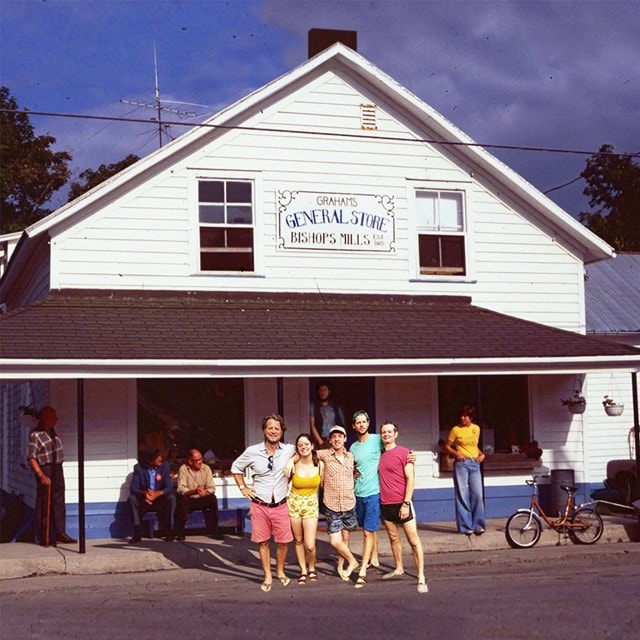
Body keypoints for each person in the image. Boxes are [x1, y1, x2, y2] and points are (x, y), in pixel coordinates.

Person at [231, 413, 295, 592]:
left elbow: (308, 450)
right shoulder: (252, 451)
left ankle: (280, 571)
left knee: (283, 542)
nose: (273, 431)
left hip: (281, 504)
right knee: (264, 542)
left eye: (277, 428)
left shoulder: (290, 450)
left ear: (282, 431)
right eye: (270, 428)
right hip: (260, 504)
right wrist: (243, 488)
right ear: (264, 430)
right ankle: (267, 575)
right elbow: (236, 468)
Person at [378, 421, 428, 594]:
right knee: (394, 538)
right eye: (383, 432)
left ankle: (421, 576)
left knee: (413, 540)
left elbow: (411, 478)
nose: (386, 435)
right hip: (386, 503)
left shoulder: (405, 453)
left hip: (402, 503)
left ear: (396, 434)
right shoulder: (380, 454)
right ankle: (398, 567)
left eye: (389, 432)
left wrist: (406, 502)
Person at [27, 406, 77, 546]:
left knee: (59, 502)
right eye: (53, 416)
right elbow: (31, 458)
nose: (56, 419)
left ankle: (60, 532)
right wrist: (41, 475)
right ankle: (44, 535)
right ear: (44, 418)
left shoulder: (54, 432)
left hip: (57, 468)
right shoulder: (36, 435)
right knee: (44, 503)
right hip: (45, 469)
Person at [317, 425, 359, 582]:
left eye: (340, 436)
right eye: (333, 437)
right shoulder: (325, 455)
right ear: (329, 440)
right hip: (332, 503)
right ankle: (353, 561)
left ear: (345, 438)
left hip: (348, 502)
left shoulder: (351, 456)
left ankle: (342, 567)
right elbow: (305, 452)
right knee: (335, 541)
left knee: (345, 538)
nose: (336, 439)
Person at [284, 433, 323, 585]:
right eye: (300, 445)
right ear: (297, 448)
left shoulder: (320, 464)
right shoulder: (292, 464)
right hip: (294, 503)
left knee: (310, 544)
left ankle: (312, 566)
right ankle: (303, 570)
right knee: (298, 540)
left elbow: (324, 485)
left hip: (311, 504)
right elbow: (283, 483)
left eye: (306, 444)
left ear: (312, 445)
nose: (303, 447)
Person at [442, 405, 486, 536]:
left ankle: (478, 525)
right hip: (462, 463)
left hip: (474, 463)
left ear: (471, 417)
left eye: (465, 416)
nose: (462, 418)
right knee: (462, 494)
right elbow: (446, 446)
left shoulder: (476, 429)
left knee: (477, 494)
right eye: (461, 415)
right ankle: (465, 526)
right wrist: (457, 454)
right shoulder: (455, 430)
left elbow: (473, 445)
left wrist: (482, 454)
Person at [349, 410, 381, 587]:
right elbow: (352, 467)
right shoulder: (353, 447)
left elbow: (392, 450)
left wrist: (409, 456)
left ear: (368, 423)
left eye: (364, 422)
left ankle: (362, 570)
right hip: (358, 492)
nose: (361, 425)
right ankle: (373, 557)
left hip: (374, 491)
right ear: (354, 426)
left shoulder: (377, 440)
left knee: (368, 531)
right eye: (358, 422)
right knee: (366, 527)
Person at [128, 447, 177, 543]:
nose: (160, 459)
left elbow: (169, 487)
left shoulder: (165, 466)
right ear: (150, 461)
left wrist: (157, 493)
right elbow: (133, 488)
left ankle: (169, 530)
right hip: (145, 498)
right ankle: (137, 532)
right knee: (131, 499)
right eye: (157, 457)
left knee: (171, 498)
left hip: (159, 499)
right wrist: (145, 493)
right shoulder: (139, 468)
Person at [175, 448, 223, 541]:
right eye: (197, 460)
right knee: (182, 500)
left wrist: (206, 492)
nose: (200, 462)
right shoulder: (183, 469)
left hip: (201, 497)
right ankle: (180, 531)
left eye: (201, 459)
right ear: (190, 461)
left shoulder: (206, 468)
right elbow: (180, 488)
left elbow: (211, 487)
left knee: (212, 499)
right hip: (189, 497)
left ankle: (214, 529)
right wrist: (193, 491)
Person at [309, 382, 346, 448]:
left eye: (325, 390)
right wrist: (320, 442)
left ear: (329, 391)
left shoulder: (336, 408)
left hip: (335, 440)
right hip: (321, 440)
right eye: (320, 390)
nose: (322, 392)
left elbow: (342, 425)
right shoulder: (314, 407)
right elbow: (312, 425)